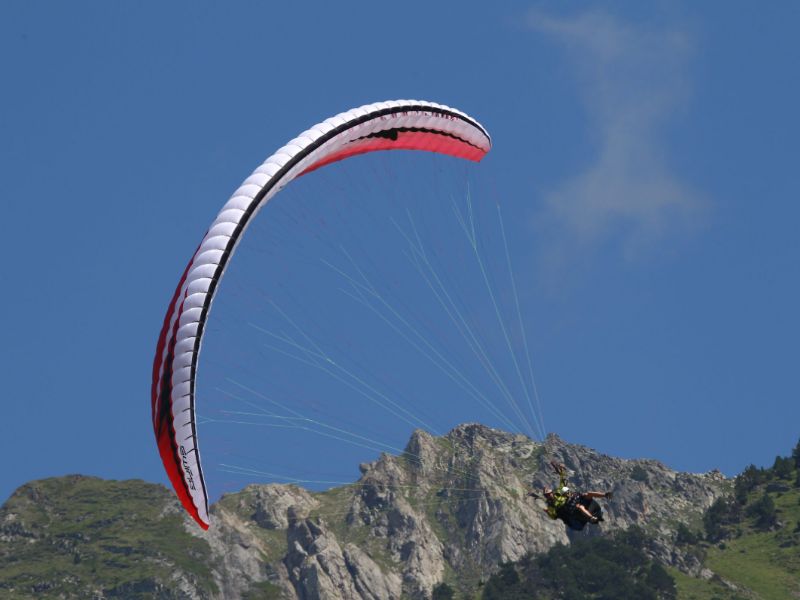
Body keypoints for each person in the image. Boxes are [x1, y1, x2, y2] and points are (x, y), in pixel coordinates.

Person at [530, 461, 613, 531]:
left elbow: (562, 479)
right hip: (573, 509)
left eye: (549, 493)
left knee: (588, 494)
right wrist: (547, 511)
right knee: (580, 507)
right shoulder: (551, 505)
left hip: (578, 499)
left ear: (552, 492)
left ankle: (606, 495)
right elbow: (553, 516)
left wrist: (560, 470)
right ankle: (591, 518)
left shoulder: (559, 492)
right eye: (547, 495)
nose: (549, 495)